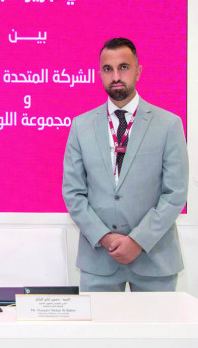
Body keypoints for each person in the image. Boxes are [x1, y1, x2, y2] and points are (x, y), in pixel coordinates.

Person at [62, 37, 188, 291]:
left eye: (124, 67)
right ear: (100, 73)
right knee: (99, 332)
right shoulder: (81, 126)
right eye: (108, 69)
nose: (116, 76)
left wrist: (138, 241)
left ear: (138, 71)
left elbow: (175, 194)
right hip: (99, 258)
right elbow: (73, 193)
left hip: (155, 258)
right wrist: (106, 238)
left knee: (156, 332)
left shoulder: (168, 124)